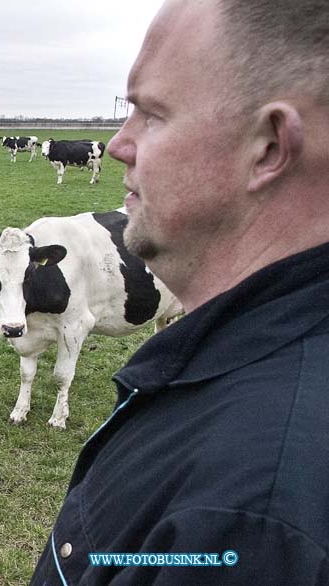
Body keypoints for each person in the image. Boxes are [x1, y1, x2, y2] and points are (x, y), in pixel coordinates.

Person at [30, 0, 329, 584]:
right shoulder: (237, 357)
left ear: (267, 147)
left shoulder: (252, 517)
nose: (117, 144)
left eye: (153, 113)